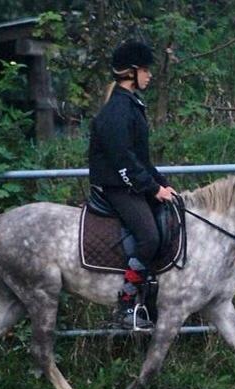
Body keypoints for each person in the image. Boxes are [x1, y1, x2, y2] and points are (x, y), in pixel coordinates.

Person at [88, 39, 176, 328]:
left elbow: (142, 159)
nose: (149, 75)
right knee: (149, 236)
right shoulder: (117, 111)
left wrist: (162, 184)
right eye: (146, 70)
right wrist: (151, 189)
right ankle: (126, 304)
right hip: (116, 186)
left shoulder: (131, 104)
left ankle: (152, 296)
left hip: (128, 183)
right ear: (131, 73)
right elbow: (123, 160)